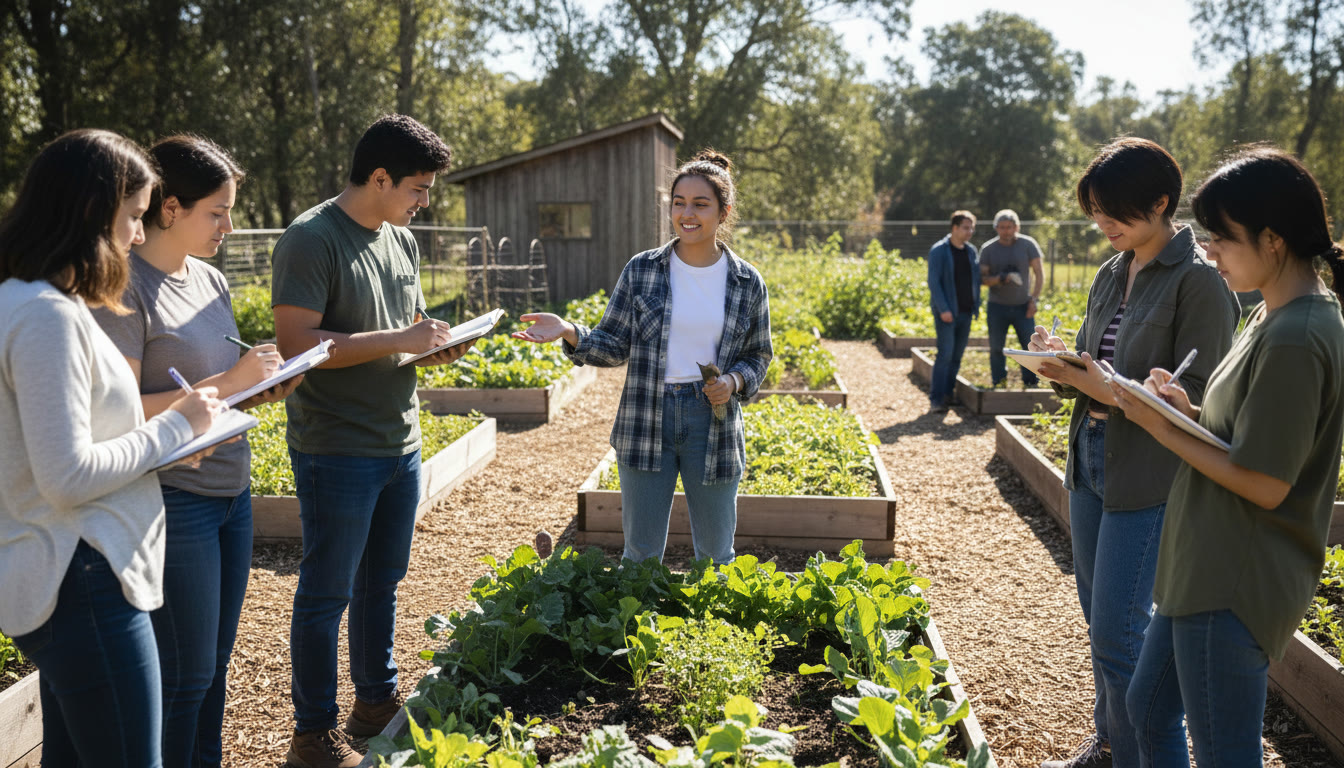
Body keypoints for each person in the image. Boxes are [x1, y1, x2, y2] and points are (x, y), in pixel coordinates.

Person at [0, 129, 223, 767]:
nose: (137, 234)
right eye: (131, 216)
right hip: (84, 578)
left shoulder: (23, 301)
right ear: (92, 214)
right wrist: (178, 427)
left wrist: (160, 444)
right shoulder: (47, 316)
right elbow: (67, 476)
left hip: (65, 575)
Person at [1115, 147, 1344, 767]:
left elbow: (1267, 483)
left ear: (1272, 239)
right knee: (1148, 709)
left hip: (1235, 578)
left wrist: (1156, 428)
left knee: (1224, 750)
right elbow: (1243, 435)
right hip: (1205, 566)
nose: (1209, 249)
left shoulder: (1297, 336)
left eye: (1222, 237)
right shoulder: (1272, 314)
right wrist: (1180, 412)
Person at [91, 134, 301, 768]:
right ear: (170, 207)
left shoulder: (209, 279)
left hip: (231, 493)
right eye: (218, 211)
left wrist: (259, 388)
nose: (229, 227)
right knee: (182, 679)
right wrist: (233, 382)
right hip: (172, 498)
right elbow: (120, 409)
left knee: (212, 669)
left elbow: (208, 391)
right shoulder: (124, 288)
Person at [271, 114, 472, 768]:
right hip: (336, 447)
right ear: (379, 177)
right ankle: (313, 733)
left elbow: (401, 331)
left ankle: (375, 701)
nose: (423, 201)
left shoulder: (400, 240)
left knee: (381, 580)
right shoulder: (311, 238)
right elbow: (297, 348)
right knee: (326, 591)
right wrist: (399, 341)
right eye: (416, 188)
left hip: (399, 440)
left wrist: (431, 350)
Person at [1030, 137, 1239, 768]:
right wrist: (1059, 362)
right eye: (1095, 210)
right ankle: (1112, 742)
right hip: (1089, 455)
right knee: (1101, 623)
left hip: (1149, 469)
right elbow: (1097, 361)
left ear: (1162, 202)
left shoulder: (1200, 281)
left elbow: (1203, 395)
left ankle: (1142, 756)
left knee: (1123, 636)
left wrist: (1114, 391)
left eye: (1115, 211)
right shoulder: (1110, 271)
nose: (1103, 223)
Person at [512, 149, 772, 565]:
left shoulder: (746, 281)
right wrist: (569, 332)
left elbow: (758, 355)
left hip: (714, 423)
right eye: (679, 203)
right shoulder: (642, 270)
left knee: (717, 555)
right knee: (641, 554)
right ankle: (639, 628)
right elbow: (614, 343)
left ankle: (715, 631)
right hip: (647, 416)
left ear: (723, 213)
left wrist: (734, 382)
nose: (687, 213)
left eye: (700, 204)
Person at [980, 209, 1044, 388]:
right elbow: (982, 279)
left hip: (1023, 306)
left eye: (1009, 227)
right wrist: (1002, 278)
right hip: (997, 306)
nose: (1006, 231)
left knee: (1029, 347)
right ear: (996, 228)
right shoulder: (988, 249)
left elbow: (1039, 273)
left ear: (1016, 227)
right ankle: (999, 382)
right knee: (996, 348)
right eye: (1001, 227)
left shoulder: (1027, 244)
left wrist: (1035, 299)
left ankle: (1031, 383)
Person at [927, 211, 981, 413]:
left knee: (957, 356)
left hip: (966, 312)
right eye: (966, 227)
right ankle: (936, 399)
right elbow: (934, 282)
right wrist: (943, 309)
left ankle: (948, 395)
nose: (970, 232)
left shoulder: (971, 251)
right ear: (955, 228)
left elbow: (974, 280)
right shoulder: (939, 251)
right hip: (948, 313)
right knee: (945, 355)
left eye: (972, 227)